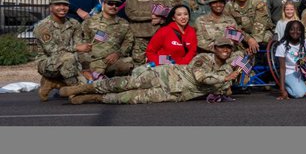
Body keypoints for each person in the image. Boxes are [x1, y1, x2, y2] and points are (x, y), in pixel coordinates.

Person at [60, 37, 243, 105]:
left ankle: (94, 98)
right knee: (124, 83)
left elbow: (224, 88)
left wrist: (228, 83)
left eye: (228, 48)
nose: (225, 50)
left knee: (130, 98)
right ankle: (82, 89)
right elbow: (201, 77)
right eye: (222, 47)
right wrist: (226, 78)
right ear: (215, 49)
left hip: (174, 93)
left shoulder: (228, 67)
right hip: (164, 76)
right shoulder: (202, 59)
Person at [33, 0, 83, 100]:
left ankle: (51, 83)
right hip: (47, 63)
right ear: (50, 7)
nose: (62, 8)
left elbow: (79, 45)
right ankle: (74, 90)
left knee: (88, 59)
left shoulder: (74, 23)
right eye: (57, 4)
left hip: (69, 60)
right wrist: (76, 49)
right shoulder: (43, 27)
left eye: (65, 5)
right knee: (67, 58)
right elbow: (52, 51)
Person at [77, 0, 135, 81]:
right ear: (104, 4)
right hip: (93, 60)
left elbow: (128, 42)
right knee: (90, 82)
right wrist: (86, 62)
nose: (113, 6)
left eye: (117, 4)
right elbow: (82, 42)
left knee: (126, 67)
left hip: (113, 60)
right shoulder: (90, 21)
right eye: (110, 3)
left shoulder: (124, 23)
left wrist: (118, 53)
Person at [124, 0, 167, 65]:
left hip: (158, 35)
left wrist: (160, 20)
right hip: (140, 36)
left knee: (161, 60)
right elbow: (130, 13)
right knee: (139, 62)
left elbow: (168, 12)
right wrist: (150, 16)